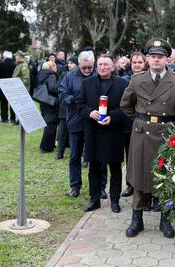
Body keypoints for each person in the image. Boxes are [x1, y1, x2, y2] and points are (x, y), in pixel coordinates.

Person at [120, 38, 175, 238]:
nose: (156, 60)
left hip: (166, 135)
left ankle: (165, 220)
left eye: (160, 57)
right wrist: (140, 121)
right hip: (142, 135)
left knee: (165, 178)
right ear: (147, 58)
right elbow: (125, 105)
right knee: (140, 176)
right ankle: (137, 220)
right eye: (152, 56)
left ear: (167, 59)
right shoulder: (136, 80)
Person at [76, 55, 127, 213]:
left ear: (113, 67)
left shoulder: (122, 83)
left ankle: (115, 200)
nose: (103, 67)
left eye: (106, 64)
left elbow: (127, 108)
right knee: (94, 168)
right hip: (94, 132)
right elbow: (79, 104)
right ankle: (94, 199)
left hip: (114, 132)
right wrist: (90, 113)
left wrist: (113, 117)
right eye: (100, 64)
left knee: (115, 168)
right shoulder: (87, 83)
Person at [58, 51, 96, 198]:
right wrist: (75, 100)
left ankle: (100, 186)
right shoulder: (70, 76)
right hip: (75, 120)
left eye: (90, 67)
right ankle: (75, 186)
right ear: (79, 65)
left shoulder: (98, 74)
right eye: (84, 68)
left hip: (94, 120)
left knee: (96, 155)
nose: (87, 70)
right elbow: (62, 94)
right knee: (74, 155)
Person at [120, 51, 147, 198]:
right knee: (130, 157)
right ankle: (131, 184)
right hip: (127, 123)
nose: (137, 65)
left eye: (140, 62)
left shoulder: (148, 79)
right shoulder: (124, 79)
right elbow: (124, 103)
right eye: (134, 62)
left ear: (145, 63)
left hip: (145, 125)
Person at [56, 55, 78, 160]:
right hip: (65, 107)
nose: (69, 65)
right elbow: (58, 88)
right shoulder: (64, 74)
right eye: (68, 63)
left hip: (76, 108)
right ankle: (60, 153)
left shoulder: (81, 76)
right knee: (62, 132)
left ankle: (79, 154)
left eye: (72, 63)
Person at [37, 61, 60, 153]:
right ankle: (45, 147)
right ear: (52, 67)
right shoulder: (52, 75)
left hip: (44, 101)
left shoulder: (41, 74)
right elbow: (52, 88)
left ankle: (49, 145)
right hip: (51, 102)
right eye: (55, 66)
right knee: (51, 124)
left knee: (48, 123)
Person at [11, 50, 31, 124]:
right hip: (17, 88)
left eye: (16, 56)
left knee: (22, 106)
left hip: (21, 89)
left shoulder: (24, 65)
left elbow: (26, 78)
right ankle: (18, 120)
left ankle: (22, 120)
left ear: (19, 56)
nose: (15, 57)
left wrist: (21, 88)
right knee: (18, 105)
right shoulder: (19, 65)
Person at [0, 51, 15, 123]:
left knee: (3, 102)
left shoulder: (1, 64)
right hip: (12, 86)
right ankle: (12, 118)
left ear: (4, 57)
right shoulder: (14, 65)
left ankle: (4, 118)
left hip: (3, 86)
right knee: (12, 103)